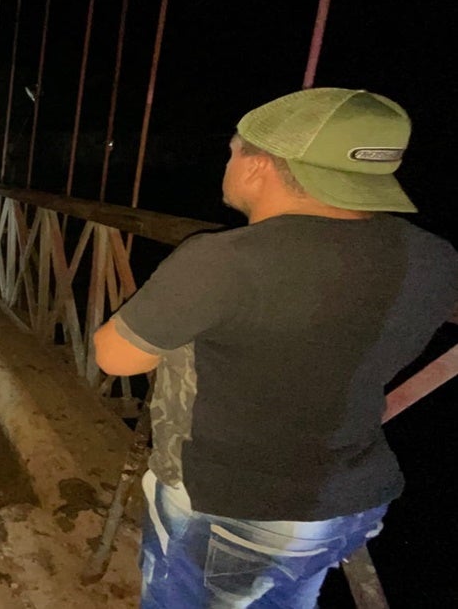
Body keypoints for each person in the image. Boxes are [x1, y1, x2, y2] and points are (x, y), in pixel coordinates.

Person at [92, 89, 458, 608]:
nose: (229, 163)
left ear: (259, 165)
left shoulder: (223, 260)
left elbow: (115, 356)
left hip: (233, 509)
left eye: (234, 151)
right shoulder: (433, 255)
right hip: (352, 500)